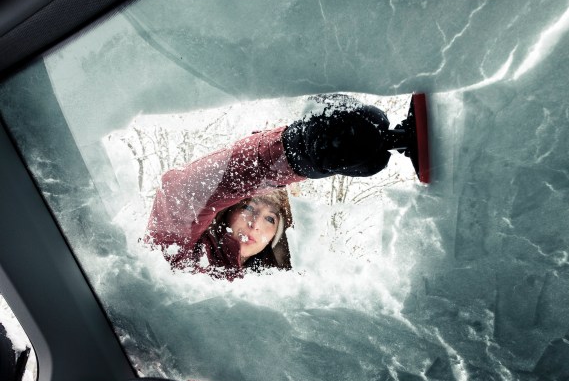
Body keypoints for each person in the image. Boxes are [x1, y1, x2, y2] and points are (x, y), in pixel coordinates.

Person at [146, 95, 392, 281]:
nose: (255, 224)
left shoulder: (275, 289)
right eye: (250, 207)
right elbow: (182, 194)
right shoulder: (185, 257)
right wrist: (293, 151)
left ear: (278, 235)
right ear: (228, 211)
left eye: (270, 219)